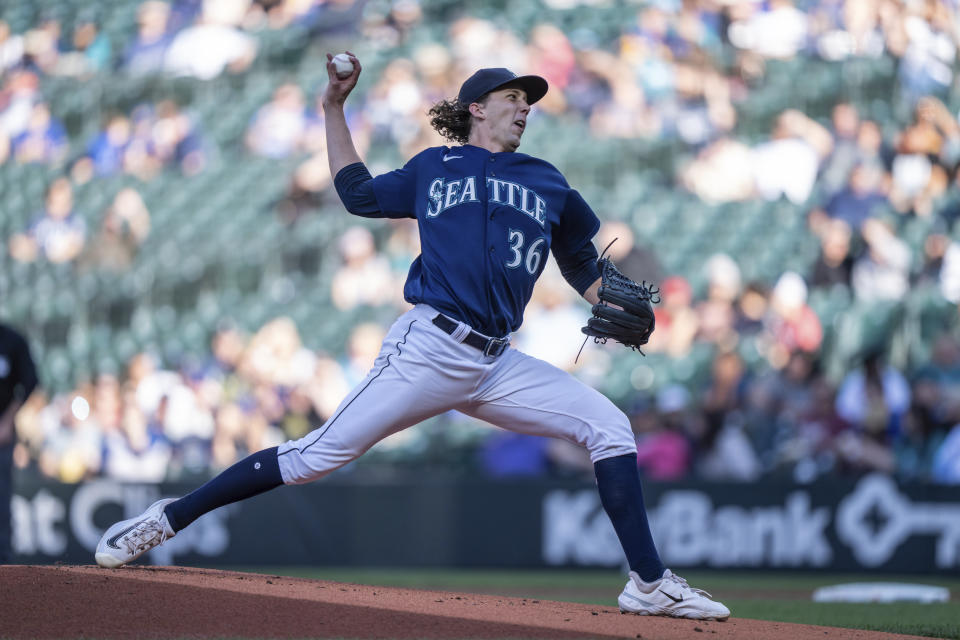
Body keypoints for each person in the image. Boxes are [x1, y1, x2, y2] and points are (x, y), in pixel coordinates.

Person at [95, 54, 729, 621]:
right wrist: (334, 107)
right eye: (513, 97)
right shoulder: (435, 166)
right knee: (314, 458)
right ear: (477, 107)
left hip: (497, 362)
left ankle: (648, 584)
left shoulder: (547, 180)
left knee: (610, 426)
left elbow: (582, 262)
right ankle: (166, 518)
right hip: (429, 346)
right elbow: (357, 194)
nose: (524, 107)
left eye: (529, 100)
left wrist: (605, 297)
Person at [0, 322, 38, 563]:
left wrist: (7, 420)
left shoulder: (11, 340)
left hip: (1, 432)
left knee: (1, 496)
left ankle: (3, 559)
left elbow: (30, 382)